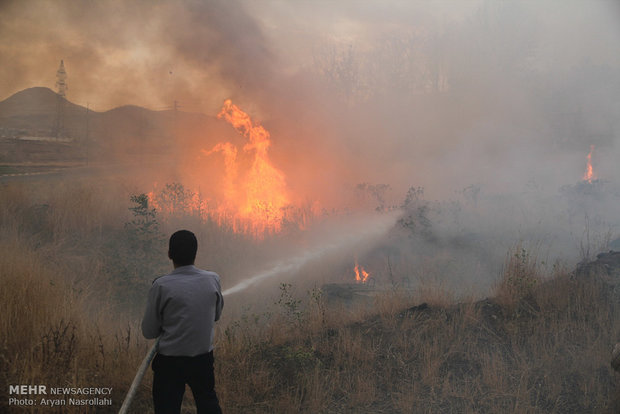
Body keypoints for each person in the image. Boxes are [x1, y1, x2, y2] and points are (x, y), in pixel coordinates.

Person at [142, 230, 224, 414]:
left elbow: (149, 331)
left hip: (170, 362)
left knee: (166, 407)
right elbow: (216, 316)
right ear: (196, 253)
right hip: (203, 360)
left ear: (169, 254)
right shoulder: (213, 280)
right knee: (208, 403)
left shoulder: (161, 285)